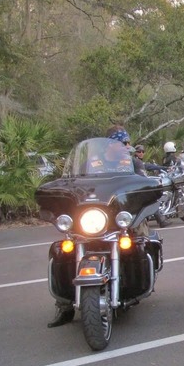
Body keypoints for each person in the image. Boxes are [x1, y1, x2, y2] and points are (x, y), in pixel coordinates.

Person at [48, 125, 135, 327]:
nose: (125, 147)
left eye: (127, 143)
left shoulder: (132, 164)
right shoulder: (90, 164)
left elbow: (143, 185)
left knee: (139, 242)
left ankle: (134, 288)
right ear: (110, 144)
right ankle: (64, 305)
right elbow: (72, 184)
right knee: (60, 251)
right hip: (92, 219)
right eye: (122, 143)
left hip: (122, 217)